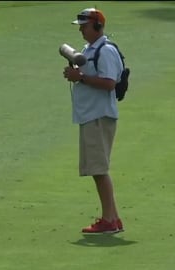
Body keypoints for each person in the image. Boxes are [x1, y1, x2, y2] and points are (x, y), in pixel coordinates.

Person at [63, 8, 124, 234]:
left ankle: (108, 221)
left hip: (99, 115)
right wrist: (77, 74)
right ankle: (114, 219)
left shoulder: (106, 51)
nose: (80, 29)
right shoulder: (90, 49)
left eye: (84, 25)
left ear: (97, 26)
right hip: (91, 114)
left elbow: (109, 83)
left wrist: (80, 77)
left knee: (99, 170)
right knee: (98, 169)